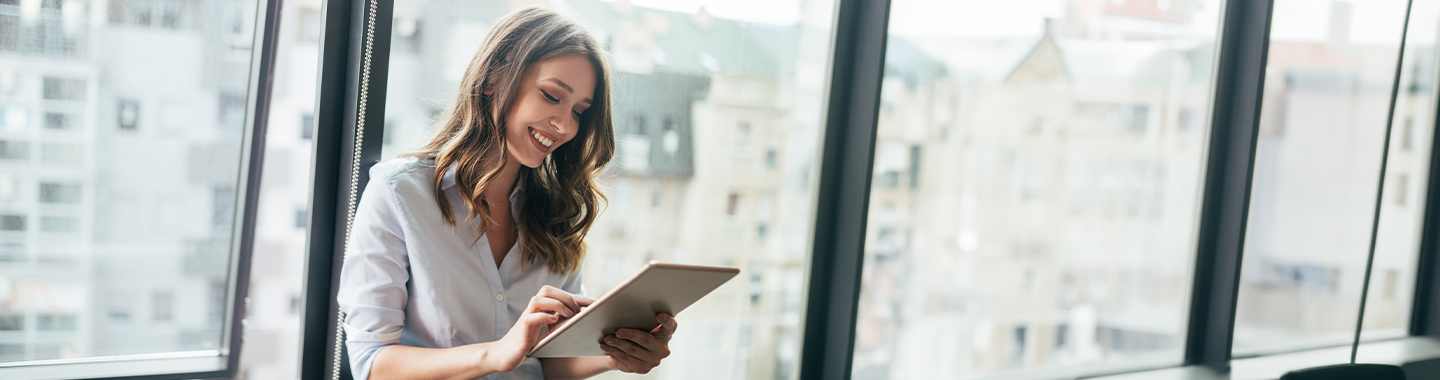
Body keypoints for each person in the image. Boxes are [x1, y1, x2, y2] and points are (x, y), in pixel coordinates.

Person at [337, 7, 675, 380]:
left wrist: (616, 354)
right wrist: (496, 354)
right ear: (494, 77)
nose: (564, 126)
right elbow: (372, 363)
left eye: (579, 111)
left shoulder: (557, 212)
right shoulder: (398, 194)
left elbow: (551, 362)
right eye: (550, 95)